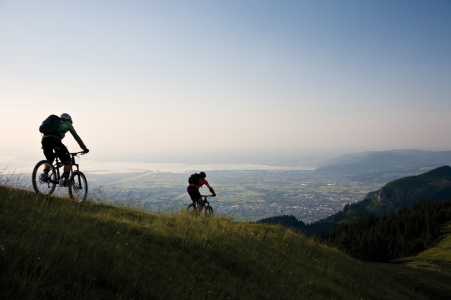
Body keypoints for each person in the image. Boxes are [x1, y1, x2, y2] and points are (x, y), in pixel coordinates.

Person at [41, 113, 89, 186]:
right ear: (69, 120)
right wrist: (84, 148)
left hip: (44, 140)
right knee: (67, 161)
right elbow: (76, 137)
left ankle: (45, 175)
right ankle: (66, 180)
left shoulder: (56, 123)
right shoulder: (68, 124)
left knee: (50, 159)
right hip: (55, 141)